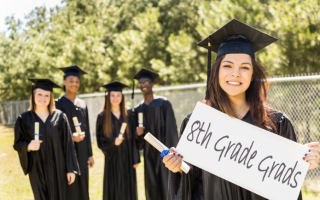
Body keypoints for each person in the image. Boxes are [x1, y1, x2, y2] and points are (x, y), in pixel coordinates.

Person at [162, 19, 320, 200]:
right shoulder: (198, 124)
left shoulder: (277, 123)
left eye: (245, 67)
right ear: (216, 71)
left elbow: (286, 189)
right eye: (227, 65)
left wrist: (304, 162)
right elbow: (192, 184)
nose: (236, 73)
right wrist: (177, 168)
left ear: (253, 74)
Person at [13, 78, 79, 200]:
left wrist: (70, 169)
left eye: (46, 95)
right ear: (33, 95)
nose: (43, 98)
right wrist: (27, 146)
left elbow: (68, 144)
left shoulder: (59, 117)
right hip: (37, 168)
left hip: (58, 167)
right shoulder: (24, 119)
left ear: (51, 97)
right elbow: (17, 143)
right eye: (39, 94)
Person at [132, 68, 179, 200]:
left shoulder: (164, 104)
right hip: (148, 153)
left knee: (166, 184)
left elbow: (171, 129)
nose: (143, 85)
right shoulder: (138, 109)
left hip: (164, 151)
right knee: (151, 186)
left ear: (152, 84)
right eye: (141, 83)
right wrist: (138, 134)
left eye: (146, 82)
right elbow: (138, 141)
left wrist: (171, 150)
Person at [96, 81, 140, 200]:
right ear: (108, 97)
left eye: (118, 95)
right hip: (112, 159)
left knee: (128, 188)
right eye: (112, 95)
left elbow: (134, 139)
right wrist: (112, 141)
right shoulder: (102, 116)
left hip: (127, 158)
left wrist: (135, 158)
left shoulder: (129, 113)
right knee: (113, 188)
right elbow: (99, 139)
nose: (115, 98)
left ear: (122, 97)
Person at [55, 65, 93, 200]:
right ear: (64, 82)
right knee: (70, 185)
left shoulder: (82, 104)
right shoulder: (57, 104)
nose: (74, 84)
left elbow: (87, 129)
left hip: (82, 151)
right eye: (71, 80)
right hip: (66, 152)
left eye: (77, 81)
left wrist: (90, 154)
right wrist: (71, 137)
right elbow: (55, 131)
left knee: (83, 183)